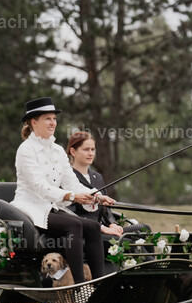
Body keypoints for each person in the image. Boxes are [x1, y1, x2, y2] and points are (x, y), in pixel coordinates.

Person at [11, 97, 115, 284]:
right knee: (74, 225)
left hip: (52, 207)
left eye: (54, 118)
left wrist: (97, 196)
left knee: (92, 227)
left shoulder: (58, 150)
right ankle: (79, 284)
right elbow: (40, 187)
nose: (53, 123)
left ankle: (98, 284)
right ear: (34, 122)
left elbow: (72, 183)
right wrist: (72, 196)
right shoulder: (25, 150)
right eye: (47, 119)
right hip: (31, 208)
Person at [67, 131, 150, 238]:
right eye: (86, 149)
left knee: (144, 229)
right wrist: (102, 228)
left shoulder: (98, 177)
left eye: (93, 149)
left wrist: (112, 224)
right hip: (87, 232)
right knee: (124, 241)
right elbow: (69, 213)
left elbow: (106, 209)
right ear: (73, 151)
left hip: (105, 229)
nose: (91, 153)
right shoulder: (67, 177)